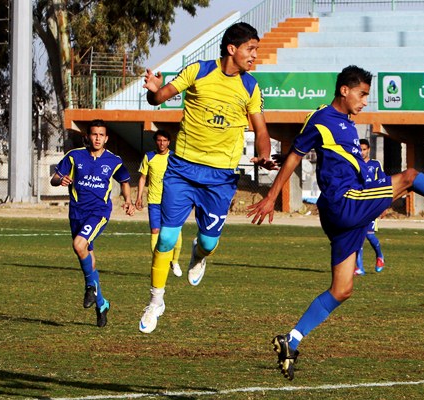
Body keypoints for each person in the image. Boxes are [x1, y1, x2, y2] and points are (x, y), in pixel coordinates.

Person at [247, 65, 424, 380]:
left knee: (342, 289)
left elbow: (300, 150)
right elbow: (297, 155)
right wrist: (272, 195)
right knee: (409, 177)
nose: (365, 101)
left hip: (340, 212)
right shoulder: (323, 118)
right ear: (345, 90)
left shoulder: (342, 123)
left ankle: (292, 339)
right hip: (346, 202)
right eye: (362, 93)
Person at [138, 22, 278, 334]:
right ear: (232, 49)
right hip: (182, 170)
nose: (255, 55)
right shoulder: (198, 71)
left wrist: (265, 155)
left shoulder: (250, 87)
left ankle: (198, 257)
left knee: (209, 242)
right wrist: (153, 88)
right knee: (166, 238)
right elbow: (157, 98)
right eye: (251, 49)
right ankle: (156, 300)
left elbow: (262, 130)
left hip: (220, 178)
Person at [50, 119, 135, 328]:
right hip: (76, 213)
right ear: (88, 136)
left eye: (101, 135)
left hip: (99, 212)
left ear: (106, 138)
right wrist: (60, 180)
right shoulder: (74, 156)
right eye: (94, 134)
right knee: (88, 258)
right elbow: (54, 177)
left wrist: (128, 201)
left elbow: (124, 180)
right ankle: (102, 303)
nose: (97, 138)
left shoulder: (113, 160)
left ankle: (89, 286)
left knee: (79, 245)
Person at [135, 130, 183, 278]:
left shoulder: (175, 157)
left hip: (172, 201)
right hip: (154, 201)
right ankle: (158, 261)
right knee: (155, 231)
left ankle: (174, 262)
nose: (162, 143)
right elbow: (143, 178)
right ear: (156, 142)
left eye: (164, 140)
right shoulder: (149, 156)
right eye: (159, 140)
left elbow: (181, 178)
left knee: (175, 231)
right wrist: (139, 196)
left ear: (169, 142)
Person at [355, 138, 386, 275]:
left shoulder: (375, 164)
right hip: (359, 203)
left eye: (364, 149)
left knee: (369, 234)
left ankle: (380, 256)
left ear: (368, 150)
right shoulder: (354, 163)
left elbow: (383, 183)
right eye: (359, 149)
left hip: (372, 203)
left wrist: (384, 204)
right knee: (358, 235)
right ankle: (359, 268)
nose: (361, 152)